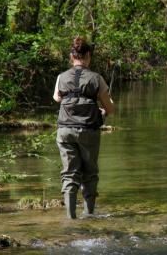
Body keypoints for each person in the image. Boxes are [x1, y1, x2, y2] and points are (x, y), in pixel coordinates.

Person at [53, 36, 115, 219]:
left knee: (69, 173)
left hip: (64, 131)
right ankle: (89, 215)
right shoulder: (96, 78)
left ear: (72, 57)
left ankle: (70, 218)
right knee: (89, 173)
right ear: (88, 55)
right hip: (88, 130)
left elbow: (57, 98)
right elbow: (110, 108)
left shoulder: (61, 77)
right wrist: (103, 111)